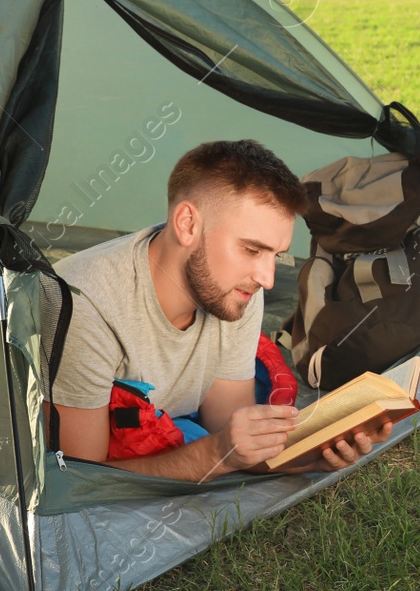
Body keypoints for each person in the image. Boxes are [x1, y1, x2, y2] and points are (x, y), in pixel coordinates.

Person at [49, 139, 392, 479]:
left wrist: (314, 454)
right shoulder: (85, 306)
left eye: (276, 255)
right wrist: (217, 453)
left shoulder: (237, 290)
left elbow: (232, 432)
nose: (267, 279)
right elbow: (81, 481)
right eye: (251, 249)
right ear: (187, 224)